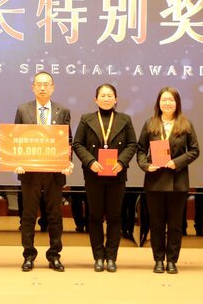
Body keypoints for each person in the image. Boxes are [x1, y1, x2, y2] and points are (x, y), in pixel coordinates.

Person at [73, 83, 137, 272]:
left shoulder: (125, 119)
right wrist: (90, 161)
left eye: (110, 96)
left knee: (115, 217)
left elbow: (132, 144)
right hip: (94, 174)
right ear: (96, 99)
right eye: (103, 95)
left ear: (116, 99)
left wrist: (122, 162)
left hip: (117, 175)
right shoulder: (87, 119)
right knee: (94, 216)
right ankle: (98, 257)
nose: (106, 99)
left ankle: (111, 257)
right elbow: (78, 144)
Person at [14, 71, 73, 272]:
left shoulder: (62, 111)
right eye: (38, 84)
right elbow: (16, 138)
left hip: (54, 172)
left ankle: (54, 255)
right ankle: (28, 255)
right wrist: (17, 161)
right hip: (29, 171)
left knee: (54, 215)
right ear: (33, 87)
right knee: (28, 215)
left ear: (52, 88)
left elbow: (68, 141)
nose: (42, 88)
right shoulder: (23, 109)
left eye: (46, 84)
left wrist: (68, 162)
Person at [137, 87, 199, 274]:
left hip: (177, 182)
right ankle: (158, 259)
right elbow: (141, 150)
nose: (167, 103)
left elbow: (194, 150)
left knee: (175, 224)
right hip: (154, 181)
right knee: (156, 223)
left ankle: (172, 260)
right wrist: (146, 165)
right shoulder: (150, 123)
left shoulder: (185, 124)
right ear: (158, 103)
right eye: (164, 100)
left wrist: (177, 162)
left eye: (171, 100)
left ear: (177, 103)